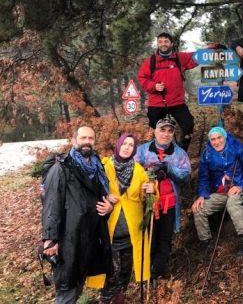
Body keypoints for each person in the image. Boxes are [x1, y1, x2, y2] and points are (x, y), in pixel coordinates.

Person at [41, 126, 114, 303]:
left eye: (90, 138)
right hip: (68, 237)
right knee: (67, 287)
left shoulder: (97, 166)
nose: (87, 142)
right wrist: (50, 239)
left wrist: (109, 206)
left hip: (90, 237)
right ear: (74, 141)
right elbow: (51, 204)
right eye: (83, 138)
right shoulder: (62, 168)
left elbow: (102, 196)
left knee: (78, 284)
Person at [86, 133, 156, 303]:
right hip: (109, 234)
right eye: (124, 143)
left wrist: (151, 190)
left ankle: (118, 299)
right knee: (111, 275)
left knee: (124, 275)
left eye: (131, 145)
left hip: (131, 235)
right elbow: (91, 190)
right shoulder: (103, 166)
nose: (127, 147)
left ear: (134, 149)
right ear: (118, 145)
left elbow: (148, 199)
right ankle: (107, 300)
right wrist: (107, 195)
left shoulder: (139, 170)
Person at [134, 118, 191, 282]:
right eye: (162, 130)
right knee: (149, 237)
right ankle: (146, 270)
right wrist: (149, 173)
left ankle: (158, 272)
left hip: (169, 203)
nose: (166, 134)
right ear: (155, 131)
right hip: (148, 203)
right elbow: (134, 173)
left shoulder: (180, 153)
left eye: (169, 131)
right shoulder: (142, 151)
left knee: (165, 239)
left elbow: (185, 175)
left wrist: (168, 167)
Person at [191, 126, 243, 255]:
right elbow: (203, 178)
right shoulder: (207, 154)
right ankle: (206, 243)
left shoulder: (237, 148)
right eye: (213, 139)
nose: (216, 142)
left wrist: (241, 186)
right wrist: (201, 196)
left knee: (232, 202)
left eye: (219, 138)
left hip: (240, 189)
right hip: (220, 191)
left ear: (225, 137)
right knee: (199, 208)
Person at [137, 32, 201, 151]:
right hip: (156, 103)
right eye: (160, 42)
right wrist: (154, 86)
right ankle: (157, 156)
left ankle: (181, 153)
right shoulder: (150, 61)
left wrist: (212, 49)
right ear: (157, 44)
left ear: (171, 43)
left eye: (166, 41)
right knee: (154, 131)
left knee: (188, 125)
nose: (163, 44)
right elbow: (142, 78)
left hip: (177, 102)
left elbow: (198, 56)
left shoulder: (179, 58)